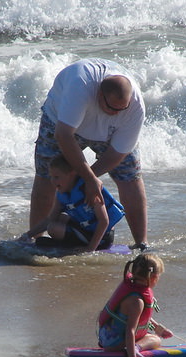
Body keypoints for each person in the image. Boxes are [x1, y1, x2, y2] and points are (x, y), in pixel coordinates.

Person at [29, 58, 148, 251]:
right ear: (99, 94)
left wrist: (86, 179)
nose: (116, 113)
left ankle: (142, 244)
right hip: (61, 125)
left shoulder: (136, 107)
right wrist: (86, 177)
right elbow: (63, 135)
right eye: (111, 108)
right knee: (48, 177)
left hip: (109, 133)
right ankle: (33, 240)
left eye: (122, 109)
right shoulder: (81, 86)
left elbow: (118, 153)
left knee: (130, 178)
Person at [19, 155, 125, 252]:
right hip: (85, 231)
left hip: (103, 238)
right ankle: (67, 244)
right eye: (51, 176)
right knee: (59, 218)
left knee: (53, 228)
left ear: (71, 174)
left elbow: (104, 221)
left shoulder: (88, 190)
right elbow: (50, 218)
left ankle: (73, 246)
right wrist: (28, 235)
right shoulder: (62, 194)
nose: (52, 181)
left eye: (56, 177)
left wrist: (90, 249)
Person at [98, 253, 173, 357]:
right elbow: (130, 330)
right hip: (114, 342)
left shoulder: (132, 289)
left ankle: (133, 346)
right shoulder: (137, 302)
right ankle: (136, 348)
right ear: (154, 278)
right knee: (155, 340)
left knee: (153, 336)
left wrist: (158, 328)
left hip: (108, 336)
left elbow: (138, 318)